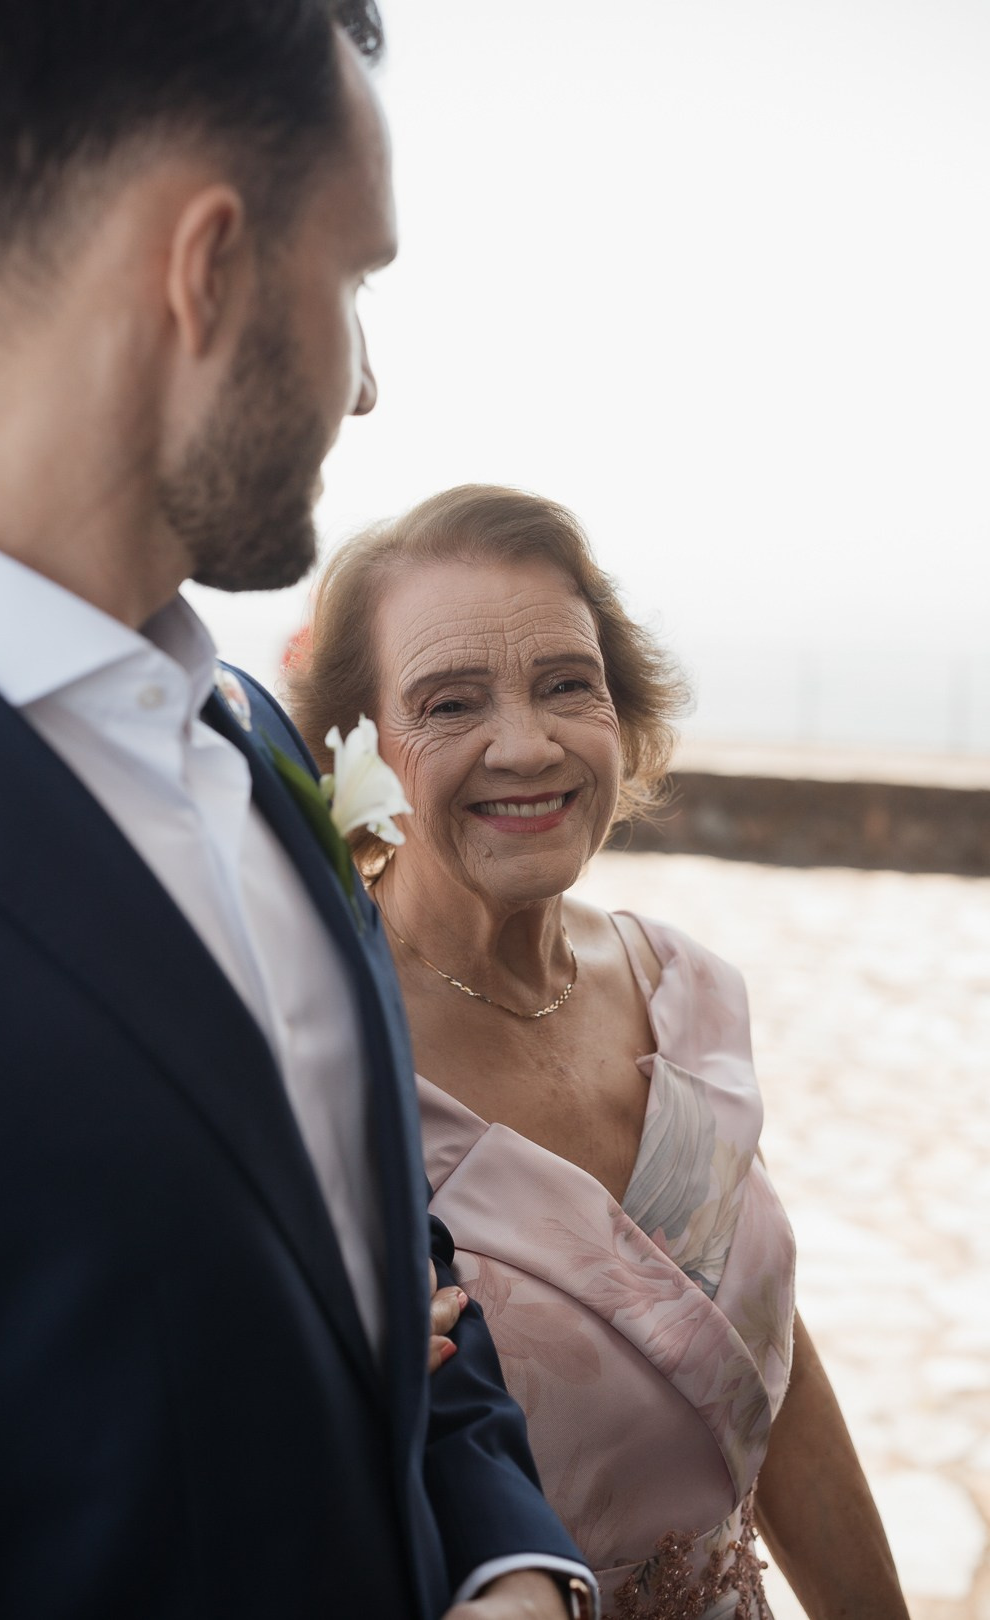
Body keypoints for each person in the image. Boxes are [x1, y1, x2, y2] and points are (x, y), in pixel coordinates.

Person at [0, 9, 598, 1618]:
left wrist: (504, 1551)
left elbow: (377, 1296)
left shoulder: (259, 745)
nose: (368, 386)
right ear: (204, 267)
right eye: (356, 282)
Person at [289, 484, 911, 1620]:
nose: (526, 744)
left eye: (567, 684)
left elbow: (758, 1364)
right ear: (360, 749)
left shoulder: (688, 992)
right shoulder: (316, 1060)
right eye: (450, 701)